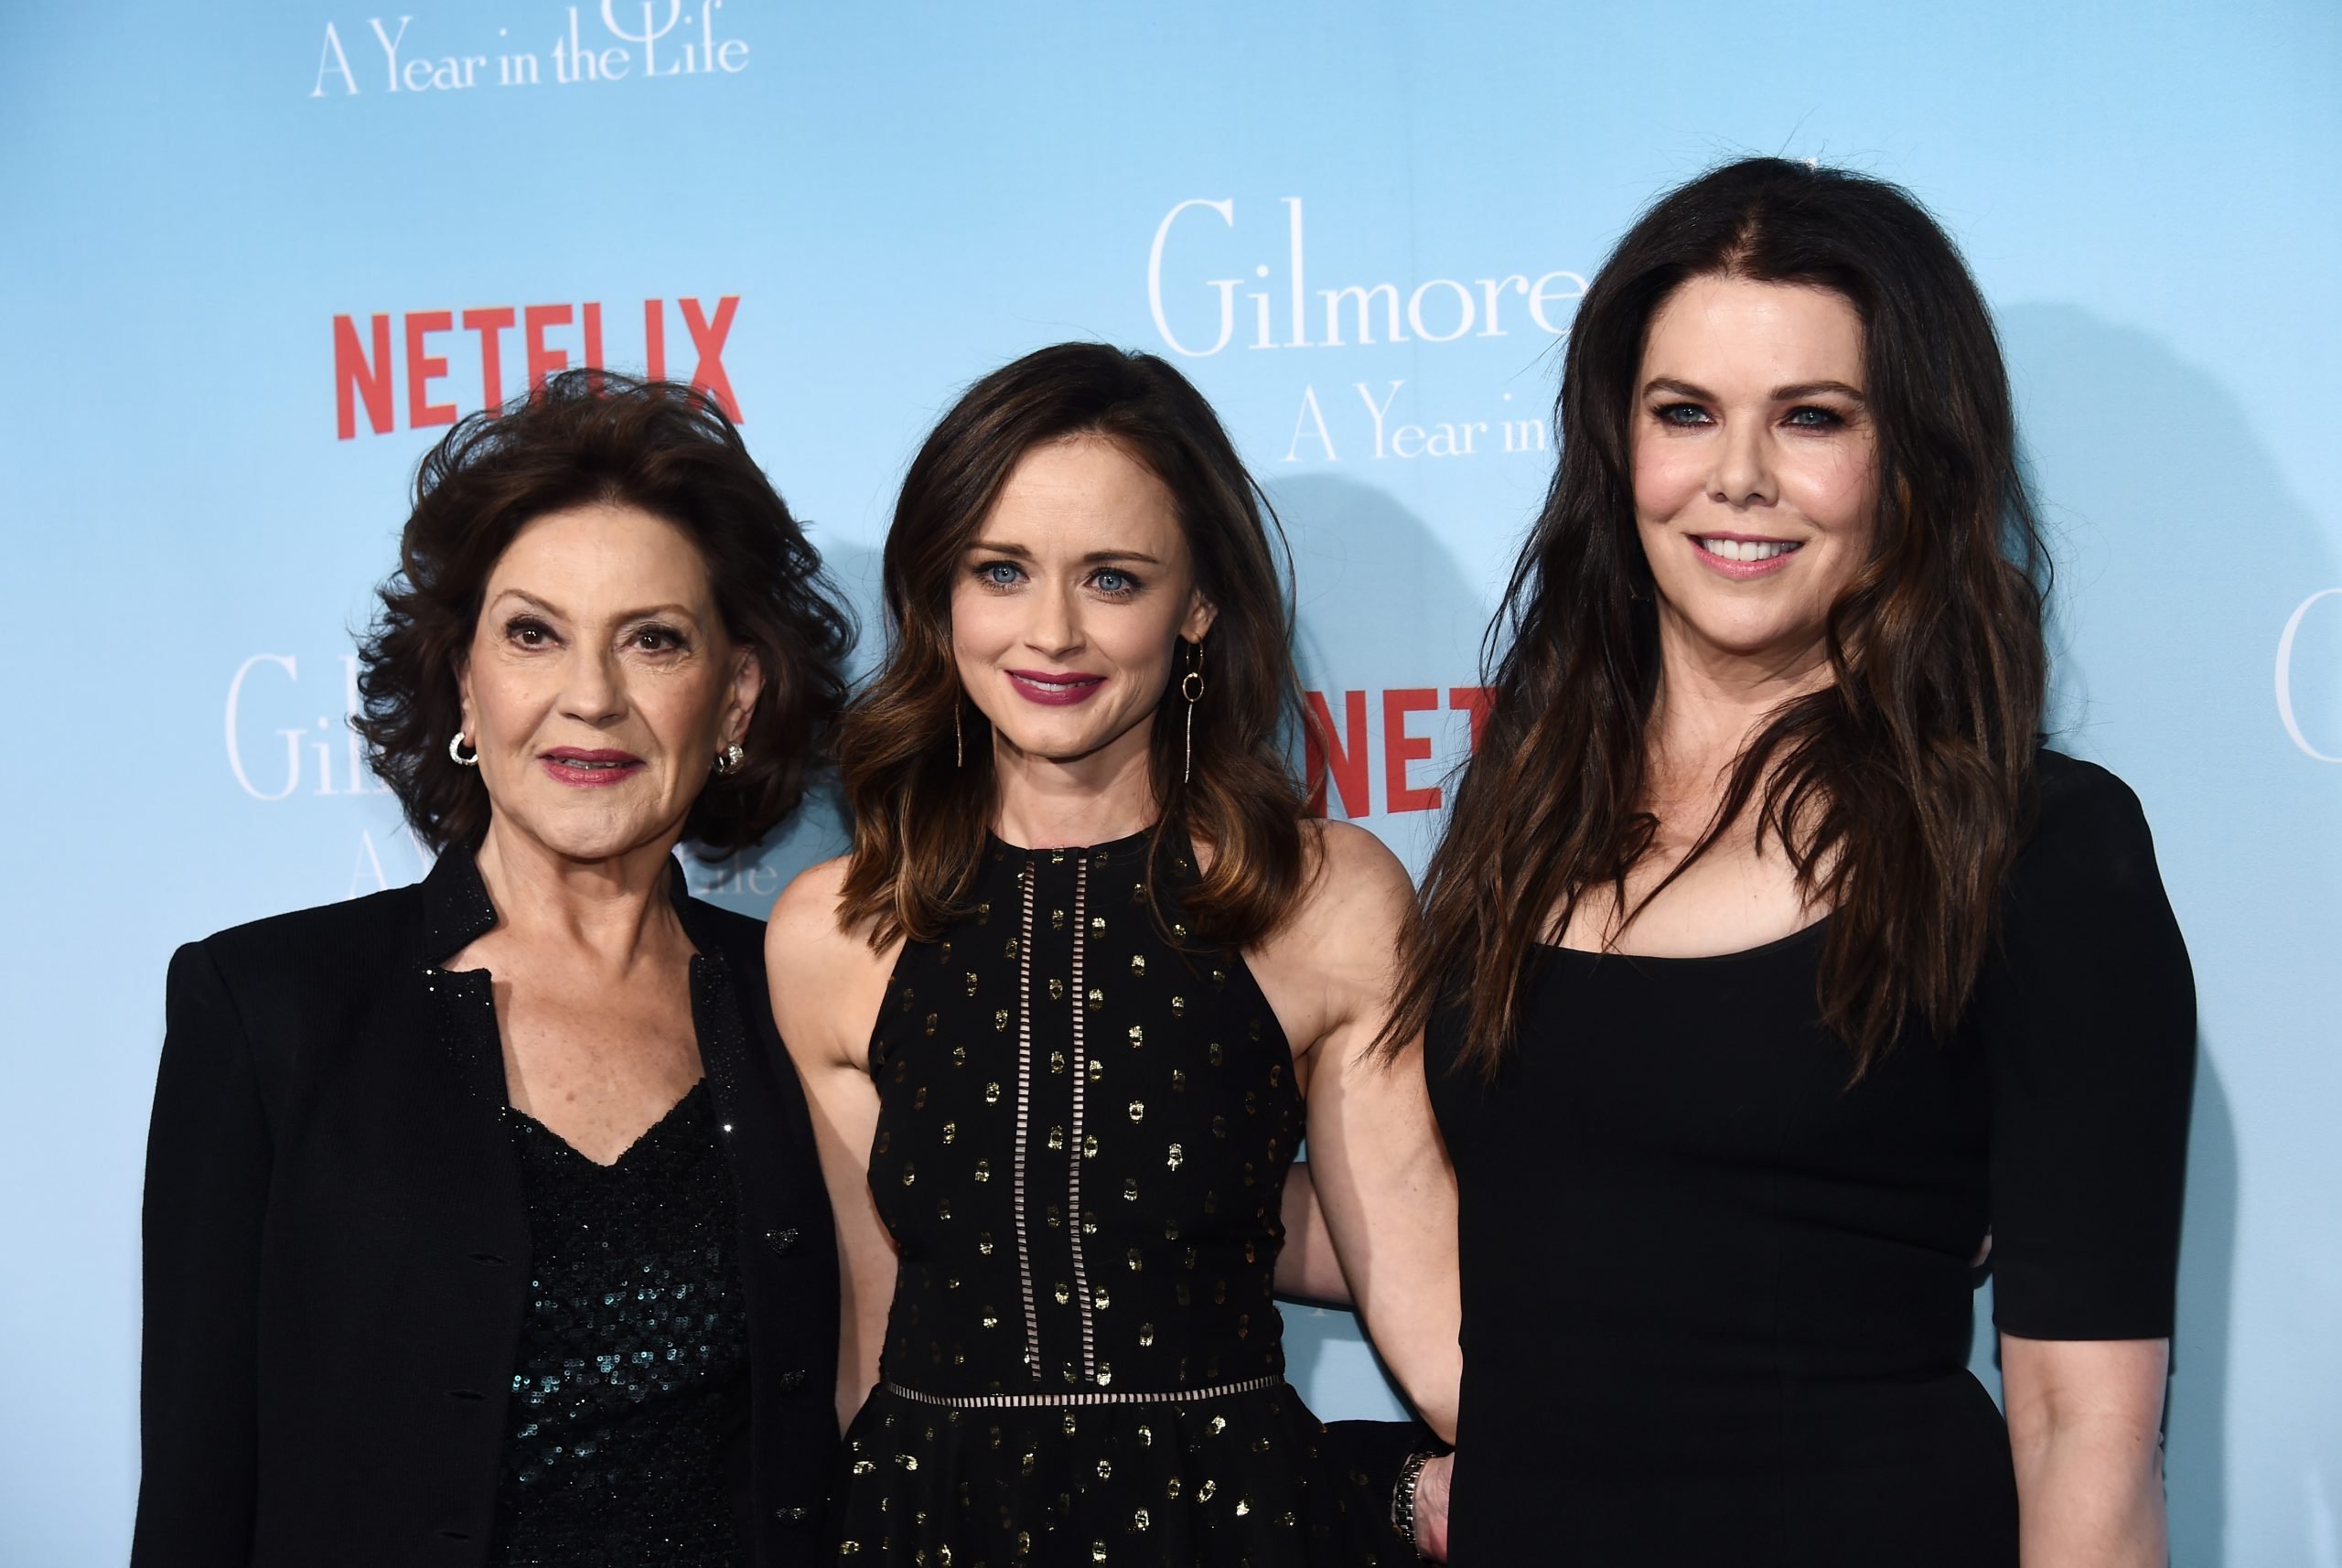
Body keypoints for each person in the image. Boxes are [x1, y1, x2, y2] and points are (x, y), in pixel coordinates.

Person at [1391, 156, 2198, 1567]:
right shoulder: (1516, 816)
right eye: (1684, 413)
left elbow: (2085, 1427)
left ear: (1912, 463)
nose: (1738, 477)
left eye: (1813, 417)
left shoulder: (2038, 846)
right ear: (1616, 447)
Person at [134, 372, 854, 1568]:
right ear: (465, 678)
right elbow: (199, 1493)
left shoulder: (803, 1003)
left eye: (654, 641)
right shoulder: (268, 1008)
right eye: (533, 633)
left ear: (736, 696)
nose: (589, 697)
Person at [766, 342, 1461, 1564]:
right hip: (928, 1527)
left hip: (1231, 1524)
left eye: (1113, 578)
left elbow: (1419, 1286)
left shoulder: (1324, 898)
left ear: (1197, 604)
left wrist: (1619, 1470)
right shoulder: (834, 929)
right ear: (939, 596)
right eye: (1001, 570)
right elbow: (875, 1333)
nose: (1053, 631)